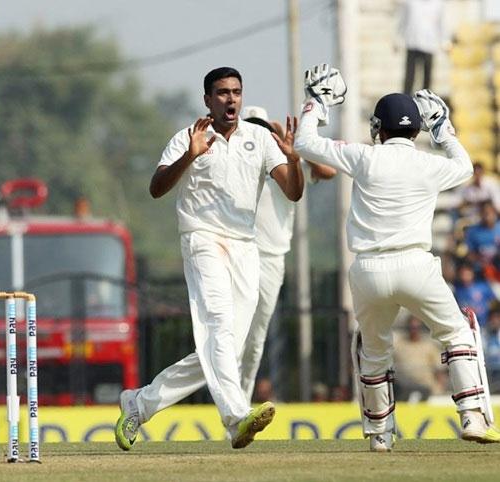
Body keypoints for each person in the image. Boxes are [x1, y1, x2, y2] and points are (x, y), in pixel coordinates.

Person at [293, 63, 500, 452]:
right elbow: (463, 165)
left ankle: (380, 436)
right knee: (457, 333)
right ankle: (472, 416)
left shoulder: (364, 156)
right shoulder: (429, 164)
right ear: (416, 129)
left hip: (369, 269)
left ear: (379, 129)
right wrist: (444, 128)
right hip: (417, 267)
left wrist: (316, 104)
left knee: (373, 349)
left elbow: (304, 144)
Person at [114, 67, 304, 450]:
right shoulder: (188, 137)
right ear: (207, 100)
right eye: (221, 93)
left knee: (223, 348)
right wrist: (190, 155)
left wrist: (294, 160)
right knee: (217, 323)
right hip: (202, 239)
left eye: (235, 92)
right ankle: (236, 417)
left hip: (245, 246)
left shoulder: (261, 138)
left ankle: (140, 403)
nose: (230, 99)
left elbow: (294, 193)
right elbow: (156, 188)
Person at [238, 105, 336, 404]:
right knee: (230, 334)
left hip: (271, 258)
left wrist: (294, 152)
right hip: (239, 252)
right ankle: (232, 404)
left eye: (262, 128)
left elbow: (326, 172)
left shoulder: (285, 160)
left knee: (255, 339)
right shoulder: (239, 159)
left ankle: (241, 402)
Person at [397, 0, 449, 94]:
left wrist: (444, 41)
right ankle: (405, 101)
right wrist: (398, 37)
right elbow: (403, 20)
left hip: (429, 45)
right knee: (410, 76)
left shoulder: (438, 4)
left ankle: (425, 102)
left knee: (427, 77)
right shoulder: (410, 3)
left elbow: (441, 24)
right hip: (412, 43)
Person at [393, 315, 447, 401]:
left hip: (428, 390)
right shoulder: (399, 346)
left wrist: (440, 390)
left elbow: (440, 371)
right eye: (411, 327)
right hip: (404, 390)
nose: (414, 330)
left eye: (416, 327)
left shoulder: (429, 346)